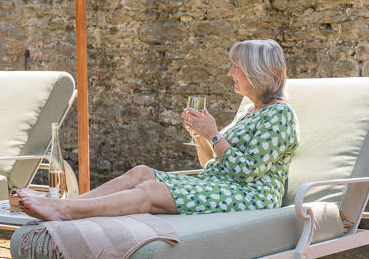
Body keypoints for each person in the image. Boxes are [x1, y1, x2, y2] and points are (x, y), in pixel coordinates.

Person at [18, 39, 299, 221]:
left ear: (255, 72)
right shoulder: (248, 111)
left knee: (151, 191)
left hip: (252, 198)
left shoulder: (280, 114)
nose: (229, 73)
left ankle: (65, 211)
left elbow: (247, 172)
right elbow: (211, 166)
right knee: (142, 172)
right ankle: (74, 203)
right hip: (219, 185)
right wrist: (201, 136)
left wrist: (214, 134)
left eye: (235, 67)